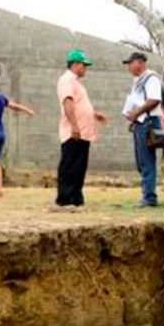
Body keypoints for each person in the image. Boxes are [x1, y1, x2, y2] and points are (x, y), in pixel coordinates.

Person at [56, 49, 107, 209]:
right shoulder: (67, 80)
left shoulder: (76, 83)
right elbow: (68, 103)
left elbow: (79, 104)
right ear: (75, 64)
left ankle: (76, 198)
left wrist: (93, 114)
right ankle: (65, 199)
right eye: (84, 65)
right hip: (74, 132)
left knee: (79, 166)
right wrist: (74, 126)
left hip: (83, 132)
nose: (85, 68)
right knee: (70, 165)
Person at [122, 52, 164, 208]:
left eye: (130, 63)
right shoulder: (138, 81)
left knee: (147, 160)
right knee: (141, 161)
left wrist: (137, 113)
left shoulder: (151, 78)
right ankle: (147, 194)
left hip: (148, 122)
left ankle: (149, 197)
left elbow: (154, 100)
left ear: (139, 63)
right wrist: (134, 119)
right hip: (141, 122)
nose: (128, 66)